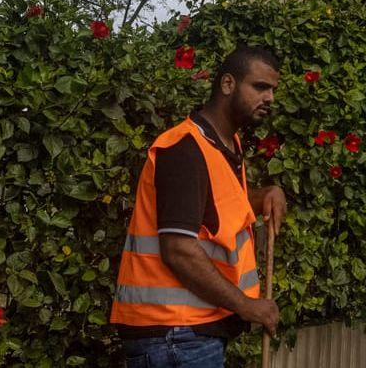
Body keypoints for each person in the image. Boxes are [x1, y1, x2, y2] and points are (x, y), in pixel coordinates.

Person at [110, 46, 289, 367]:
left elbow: (215, 210)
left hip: (187, 334)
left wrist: (264, 195)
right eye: (260, 87)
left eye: (273, 89)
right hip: (174, 336)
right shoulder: (184, 149)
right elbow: (178, 249)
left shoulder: (224, 146)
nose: (270, 98)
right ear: (227, 85)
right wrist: (246, 305)